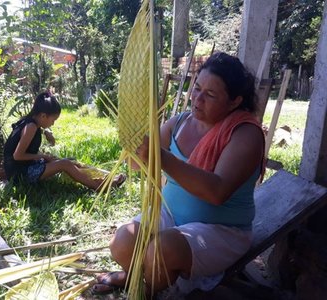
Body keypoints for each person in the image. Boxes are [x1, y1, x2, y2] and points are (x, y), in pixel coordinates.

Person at [92, 52, 265, 297]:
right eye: (196, 88)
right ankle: (134, 277)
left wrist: (164, 159)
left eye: (211, 95)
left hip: (221, 229)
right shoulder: (180, 122)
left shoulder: (245, 134)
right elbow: (135, 165)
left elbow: (217, 192)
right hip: (171, 215)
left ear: (235, 101)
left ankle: (149, 291)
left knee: (161, 252)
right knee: (122, 242)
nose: (197, 99)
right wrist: (135, 144)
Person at [3, 92, 125, 190]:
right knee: (65, 164)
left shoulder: (31, 123)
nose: (53, 123)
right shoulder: (31, 127)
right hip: (19, 176)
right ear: (43, 116)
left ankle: (105, 177)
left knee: (70, 161)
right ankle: (99, 186)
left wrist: (45, 149)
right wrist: (43, 156)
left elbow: (27, 150)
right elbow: (17, 156)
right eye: (53, 119)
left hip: (23, 168)